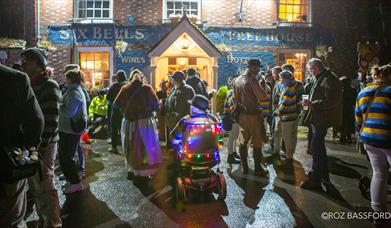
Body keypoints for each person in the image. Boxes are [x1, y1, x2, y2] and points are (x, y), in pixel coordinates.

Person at [19, 48, 62, 227]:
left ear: (38, 64)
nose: (22, 65)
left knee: (45, 184)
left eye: (26, 61)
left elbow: (51, 121)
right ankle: (44, 219)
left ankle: (53, 222)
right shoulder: (27, 84)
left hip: (45, 144)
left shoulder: (49, 85)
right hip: (31, 144)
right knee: (36, 186)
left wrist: (39, 148)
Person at [0, 64, 44, 227]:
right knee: (12, 219)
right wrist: (25, 153)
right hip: (8, 163)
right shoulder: (15, 79)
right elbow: (36, 121)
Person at [355, 65, 391, 221]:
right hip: (388, 138)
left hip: (369, 139)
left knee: (379, 173)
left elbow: (357, 117)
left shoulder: (364, 91)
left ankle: (378, 212)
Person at [115, 70, 163, 184]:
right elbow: (156, 105)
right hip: (145, 122)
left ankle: (133, 171)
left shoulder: (125, 89)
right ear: (142, 78)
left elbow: (115, 105)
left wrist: (126, 112)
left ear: (131, 78)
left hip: (129, 122)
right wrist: (146, 111)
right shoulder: (147, 88)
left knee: (131, 147)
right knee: (146, 147)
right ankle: (145, 173)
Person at [301, 58, 342, 190]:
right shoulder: (319, 77)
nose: (309, 72)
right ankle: (323, 176)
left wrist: (313, 104)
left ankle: (315, 179)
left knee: (316, 146)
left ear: (315, 68)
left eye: (310, 70)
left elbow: (332, 100)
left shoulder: (329, 79)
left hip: (322, 118)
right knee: (318, 146)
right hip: (317, 117)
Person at [232, 59, 267, 176]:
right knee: (257, 142)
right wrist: (263, 86)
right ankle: (258, 169)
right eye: (256, 68)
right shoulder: (252, 81)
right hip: (253, 115)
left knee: (243, 141)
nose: (258, 70)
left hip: (241, 115)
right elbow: (262, 97)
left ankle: (244, 167)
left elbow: (234, 98)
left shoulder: (237, 80)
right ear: (252, 67)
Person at [59, 70, 88, 194]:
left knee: (67, 156)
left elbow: (69, 112)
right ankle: (70, 176)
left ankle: (75, 183)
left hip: (70, 130)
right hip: (67, 129)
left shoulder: (74, 92)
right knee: (68, 155)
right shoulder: (73, 90)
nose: (65, 80)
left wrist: (58, 105)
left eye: (66, 78)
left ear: (70, 79)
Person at [272, 70, 300, 170]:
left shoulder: (292, 86)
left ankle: (289, 158)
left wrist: (277, 112)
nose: (279, 79)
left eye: (281, 78)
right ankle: (277, 153)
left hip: (288, 116)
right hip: (282, 116)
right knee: (278, 133)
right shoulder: (280, 85)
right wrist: (276, 111)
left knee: (288, 137)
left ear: (285, 78)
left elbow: (286, 102)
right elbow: (276, 100)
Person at [107, 70, 127, 153]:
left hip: (115, 110)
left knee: (114, 129)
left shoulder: (114, 86)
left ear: (118, 77)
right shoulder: (128, 85)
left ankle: (114, 147)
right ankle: (126, 147)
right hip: (125, 111)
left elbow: (108, 97)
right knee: (125, 129)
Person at [224, 85, 240, 164]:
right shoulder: (232, 93)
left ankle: (234, 152)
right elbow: (232, 108)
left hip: (233, 118)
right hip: (233, 118)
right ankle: (230, 156)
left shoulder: (234, 92)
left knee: (235, 136)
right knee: (232, 137)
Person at [339, 76, 357, 144]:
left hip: (341, 109)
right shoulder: (353, 90)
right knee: (348, 122)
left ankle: (342, 136)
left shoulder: (340, 90)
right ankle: (348, 137)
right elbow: (354, 100)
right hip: (349, 108)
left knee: (342, 122)